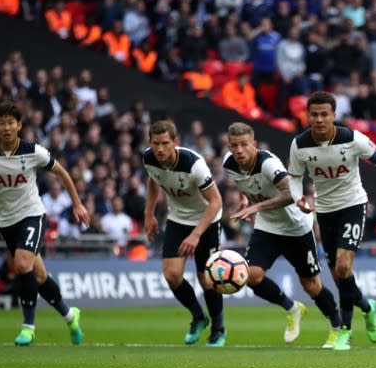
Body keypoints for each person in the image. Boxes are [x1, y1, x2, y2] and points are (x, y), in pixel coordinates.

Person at [0, 101, 89, 346]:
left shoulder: (33, 151)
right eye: (1, 123)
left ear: (19, 125)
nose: (6, 128)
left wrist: (78, 204)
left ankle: (28, 327)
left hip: (32, 214)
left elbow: (63, 173)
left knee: (22, 263)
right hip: (6, 221)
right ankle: (71, 316)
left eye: (11, 123)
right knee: (39, 276)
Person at [288, 91, 376, 350]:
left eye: (324, 114)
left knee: (342, 266)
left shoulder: (352, 139)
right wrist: (298, 198)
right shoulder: (300, 145)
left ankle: (345, 331)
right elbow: (294, 176)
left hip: (352, 205)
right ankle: (367, 307)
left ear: (334, 116)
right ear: (308, 116)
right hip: (325, 212)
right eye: (314, 114)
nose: (318, 119)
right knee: (341, 277)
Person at [224, 122, 343, 347]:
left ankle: (337, 326)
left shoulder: (268, 164)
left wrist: (256, 207)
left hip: (297, 228)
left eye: (243, 145)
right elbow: (242, 183)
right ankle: (292, 308)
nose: (239, 150)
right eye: (234, 146)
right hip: (268, 227)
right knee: (251, 276)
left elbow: (292, 193)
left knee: (311, 286)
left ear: (254, 145)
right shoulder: (229, 164)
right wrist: (243, 198)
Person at [143, 119, 226, 347]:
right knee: (171, 275)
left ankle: (219, 327)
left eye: (165, 143)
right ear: (150, 142)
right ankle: (199, 316)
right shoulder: (149, 158)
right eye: (156, 143)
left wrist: (196, 234)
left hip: (206, 220)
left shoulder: (193, 165)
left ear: (175, 142)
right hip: (178, 219)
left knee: (206, 278)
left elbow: (216, 201)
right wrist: (149, 214)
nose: (160, 149)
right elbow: (153, 181)